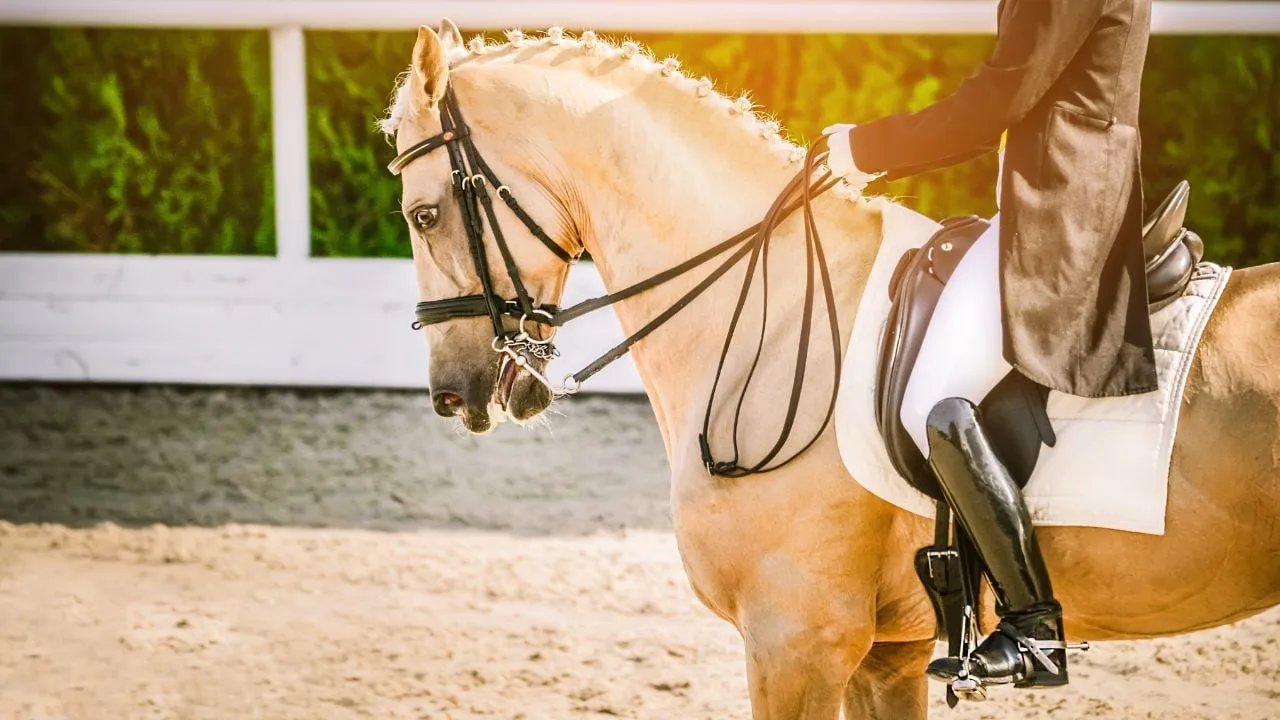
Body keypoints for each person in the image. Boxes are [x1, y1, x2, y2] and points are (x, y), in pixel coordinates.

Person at [821, 0, 1156, 689]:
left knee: (934, 404)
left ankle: (1033, 626)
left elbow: (999, 96)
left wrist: (864, 148)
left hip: (1064, 212)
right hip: (1042, 198)